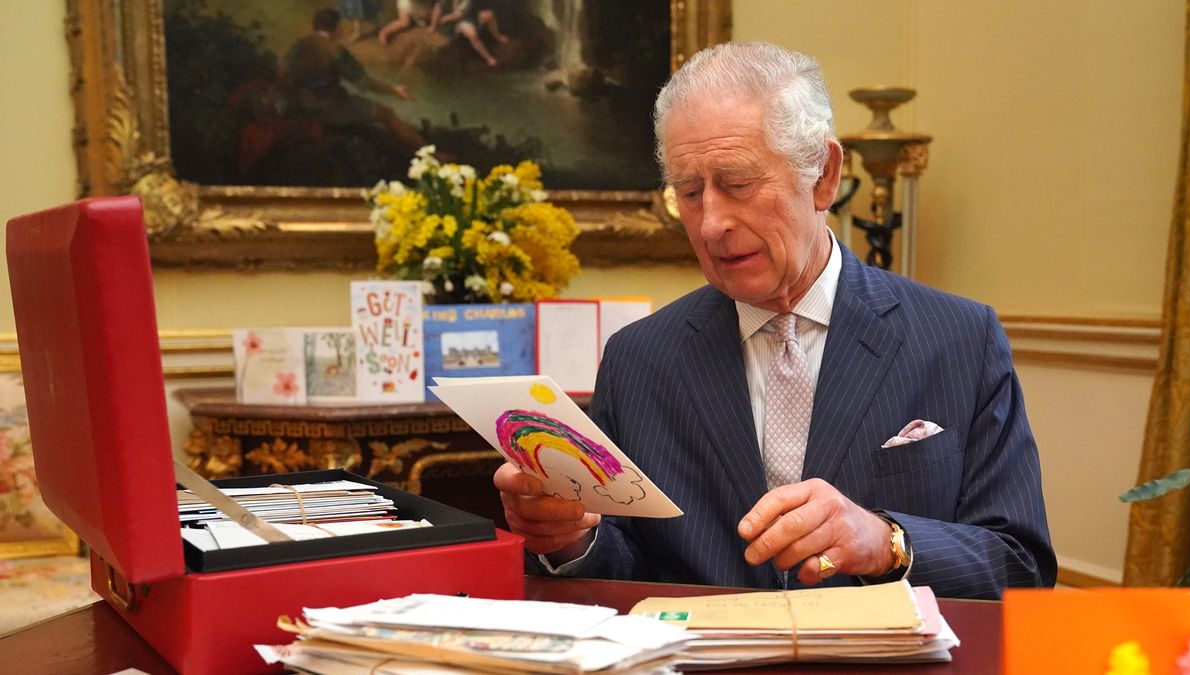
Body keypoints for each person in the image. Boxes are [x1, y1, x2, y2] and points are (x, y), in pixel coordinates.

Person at [493, 41, 1057, 600]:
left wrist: (887, 543)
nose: (711, 224)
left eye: (738, 184)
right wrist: (569, 540)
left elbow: (1022, 567)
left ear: (824, 177)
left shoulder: (959, 339)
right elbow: (625, 568)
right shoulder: (639, 358)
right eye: (689, 193)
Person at [280, 8, 427, 153]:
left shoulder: (297, 46)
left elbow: (283, 76)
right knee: (386, 114)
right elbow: (364, 83)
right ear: (337, 27)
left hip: (300, 106)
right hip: (330, 107)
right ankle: (430, 155)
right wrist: (394, 90)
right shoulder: (334, 49)